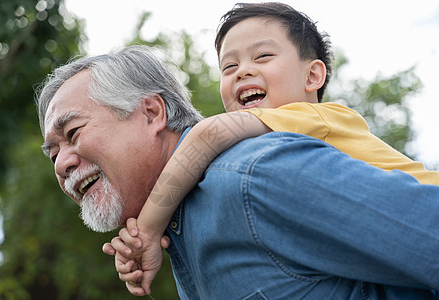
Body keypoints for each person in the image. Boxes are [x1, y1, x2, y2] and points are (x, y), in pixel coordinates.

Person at [36, 42, 439, 300]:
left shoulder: (253, 176)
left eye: (72, 133)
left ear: (152, 113)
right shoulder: (175, 235)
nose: (62, 163)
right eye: (52, 154)